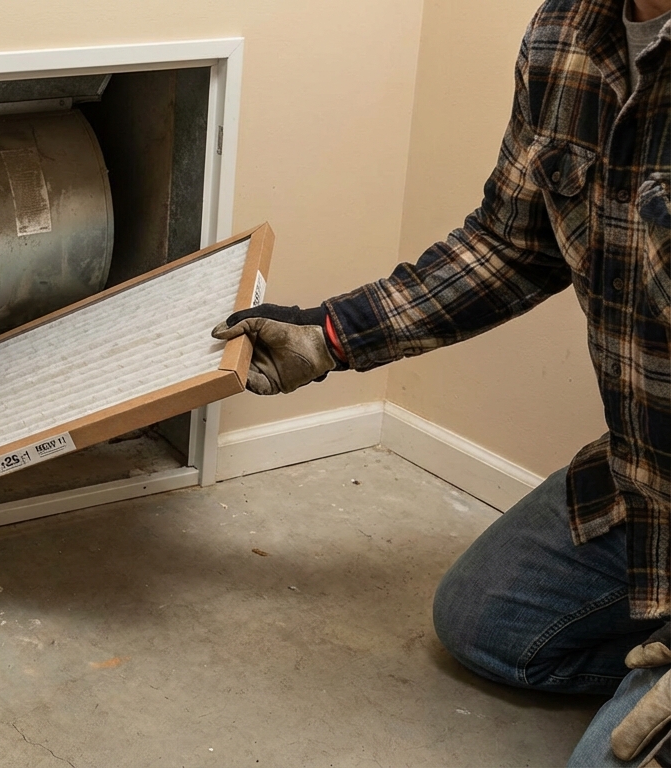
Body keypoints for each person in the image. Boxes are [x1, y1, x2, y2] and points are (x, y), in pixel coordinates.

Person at [211, 0, 671, 764]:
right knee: (485, 623)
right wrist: (330, 336)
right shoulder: (567, 31)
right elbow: (510, 246)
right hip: (648, 478)